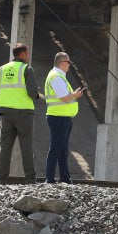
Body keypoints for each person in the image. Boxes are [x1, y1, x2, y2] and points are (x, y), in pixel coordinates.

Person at [0, 42, 41, 183]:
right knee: (26, 147)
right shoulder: (27, 69)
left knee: (5, 147)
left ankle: (1, 179)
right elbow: (32, 92)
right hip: (24, 113)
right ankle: (30, 179)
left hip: (6, 113)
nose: (28, 56)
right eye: (27, 53)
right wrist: (37, 96)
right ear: (23, 54)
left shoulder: (2, 69)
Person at [43, 51, 85, 184]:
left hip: (62, 117)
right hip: (58, 117)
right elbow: (65, 98)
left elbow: (65, 96)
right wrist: (75, 95)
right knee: (56, 149)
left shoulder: (58, 76)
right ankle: (50, 179)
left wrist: (74, 94)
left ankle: (65, 178)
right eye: (68, 62)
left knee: (62, 150)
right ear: (62, 63)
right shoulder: (56, 76)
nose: (69, 65)